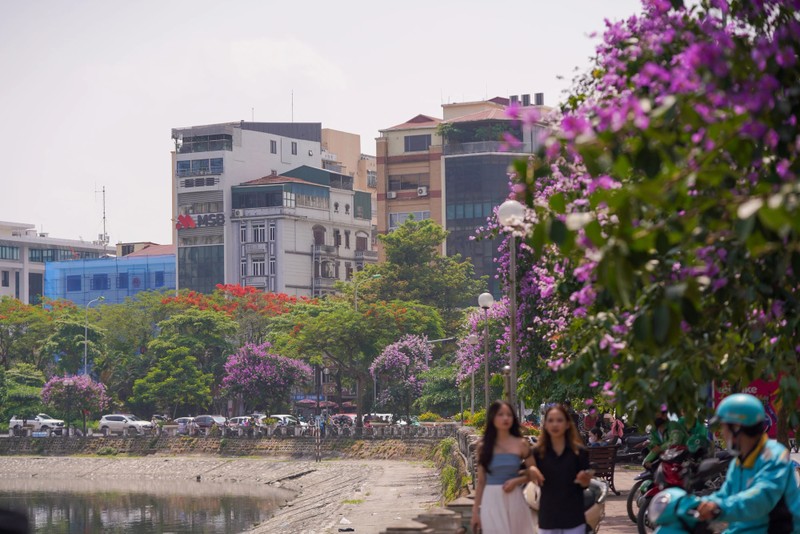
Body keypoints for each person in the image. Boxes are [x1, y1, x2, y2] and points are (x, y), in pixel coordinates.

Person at [697, 393, 800, 533]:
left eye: (724, 427)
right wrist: (698, 504)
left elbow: (761, 499)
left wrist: (718, 508)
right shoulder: (739, 461)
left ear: (737, 427)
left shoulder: (774, 456)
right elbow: (725, 494)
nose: (722, 433)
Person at [470, 400, 537, 534]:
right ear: (492, 418)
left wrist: (517, 481)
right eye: (500, 414)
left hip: (514, 498)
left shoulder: (521, 444)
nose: (505, 418)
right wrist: (476, 512)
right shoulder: (483, 446)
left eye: (509, 415)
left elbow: (534, 473)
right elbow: (481, 481)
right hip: (491, 500)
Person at [528, 404, 593, 534]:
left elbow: (586, 484)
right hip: (548, 517)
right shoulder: (537, 452)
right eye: (550, 421)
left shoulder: (579, 452)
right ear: (545, 425)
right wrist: (532, 471)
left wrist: (584, 479)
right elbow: (527, 474)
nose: (555, 424)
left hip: (573, 517)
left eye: (559, 420)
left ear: (567, 424)